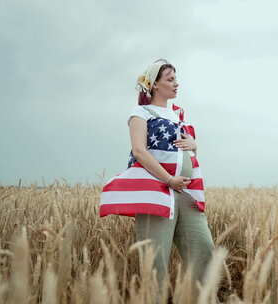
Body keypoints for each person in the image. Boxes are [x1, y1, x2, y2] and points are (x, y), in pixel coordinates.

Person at [99, 58, 214, 289]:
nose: (176, 84)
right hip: (157, 191)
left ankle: (199, 297)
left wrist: (194, 144)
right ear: (154, 85)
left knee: (204, 250)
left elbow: (187, 151)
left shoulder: (180, 114)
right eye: (170, 79)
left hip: (186, 192)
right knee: (155, 257)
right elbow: (140, 151)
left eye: (176, 79)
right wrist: (169, 179)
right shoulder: (141, 113)